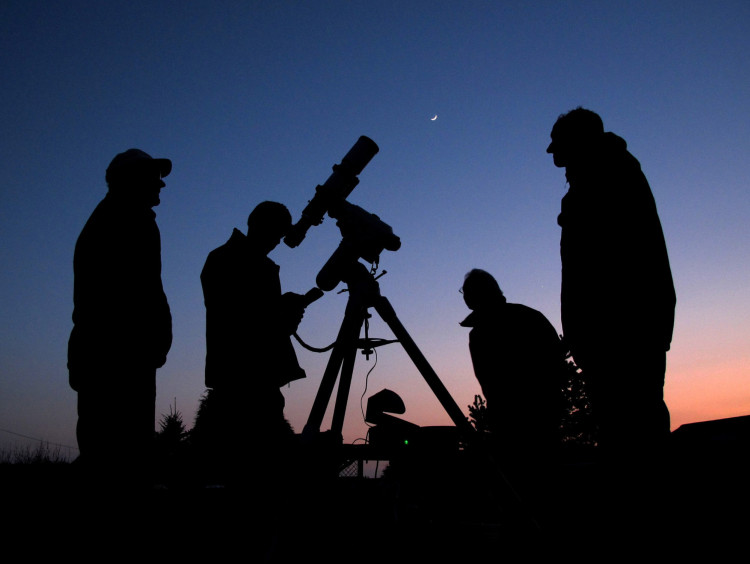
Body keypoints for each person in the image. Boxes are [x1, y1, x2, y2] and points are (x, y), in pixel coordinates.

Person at [547, 107, 676, 456]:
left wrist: (584, 329)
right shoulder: (606, 174)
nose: (557, 161)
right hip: (620, 330)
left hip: (621, 331)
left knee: (633, 431)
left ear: (578, 144)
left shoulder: (604, 179)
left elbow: (600, 268)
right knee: (630, 427)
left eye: (560, 150)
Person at [68, 148, 173, 488]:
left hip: (124, 357)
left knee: (120, 455)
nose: (161, 185)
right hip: (115, 359)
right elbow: (126, 297)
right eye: (153, 178)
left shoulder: (127, 219)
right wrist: (149, 339)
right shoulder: (122, 221)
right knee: (114, 459)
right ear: (131, 180)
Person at [199, 201, 308, 487]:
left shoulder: (251, 262)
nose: (276, 241)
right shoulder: (230, 260)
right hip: (243, 383)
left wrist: (282, 314)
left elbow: (262, 321)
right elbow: (242, 324)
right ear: (257, 225)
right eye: (276, 232)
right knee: (254, 475)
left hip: (255, 381)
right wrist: (283, 315)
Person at [460, 269, 565, 463]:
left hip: (523, 419)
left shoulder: (481, 333)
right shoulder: (530, 316)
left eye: (466, 291)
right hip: (533, 416)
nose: (464, 296)